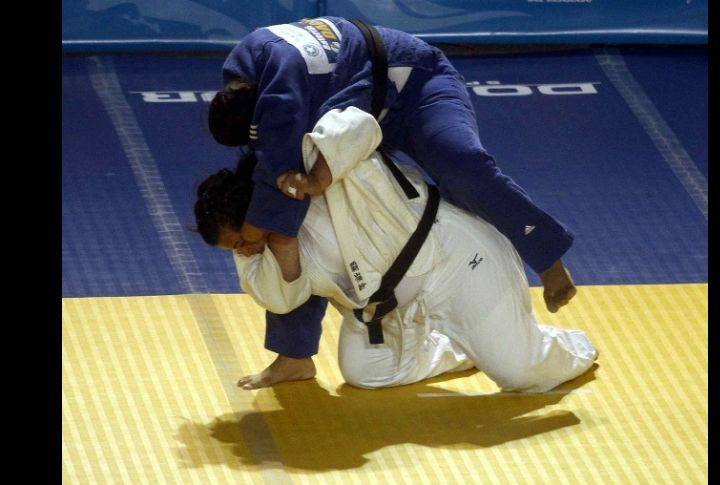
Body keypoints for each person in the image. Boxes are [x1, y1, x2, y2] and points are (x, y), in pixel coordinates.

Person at [208, 16, 578, 386]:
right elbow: (276, 172)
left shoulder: (284, 86)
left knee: (458, 161)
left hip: (413, 84)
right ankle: (294, 355)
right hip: (353, 106)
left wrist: (311, 183)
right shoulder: (246, 75)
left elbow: (346, 126)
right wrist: (267, 218)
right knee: (288, 218)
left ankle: (547, 256)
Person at [195, 107, 597, 392]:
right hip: (385, 310)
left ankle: (567, 347)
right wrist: (281, 245)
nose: (245, 251)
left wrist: (318, 178)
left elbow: (360, 124)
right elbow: (279, 300)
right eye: (236, 249)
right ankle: (466, 343)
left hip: (453, 261)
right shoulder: (261, 245)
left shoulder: (307, 166)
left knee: (521, 375)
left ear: (253, 209)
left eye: (244, 240)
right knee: (366, 373)